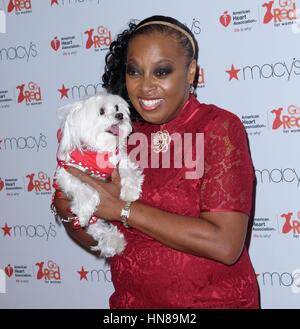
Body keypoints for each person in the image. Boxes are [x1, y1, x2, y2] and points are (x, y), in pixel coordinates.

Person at [52, 15, 260, 309]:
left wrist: (122, 209)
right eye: (134, 72)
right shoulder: (122, 136)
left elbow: (224, 244)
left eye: (161, 72)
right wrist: (71, 215)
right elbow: (112, 243)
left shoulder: (217, 127)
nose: (145, 87)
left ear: (190, 73)